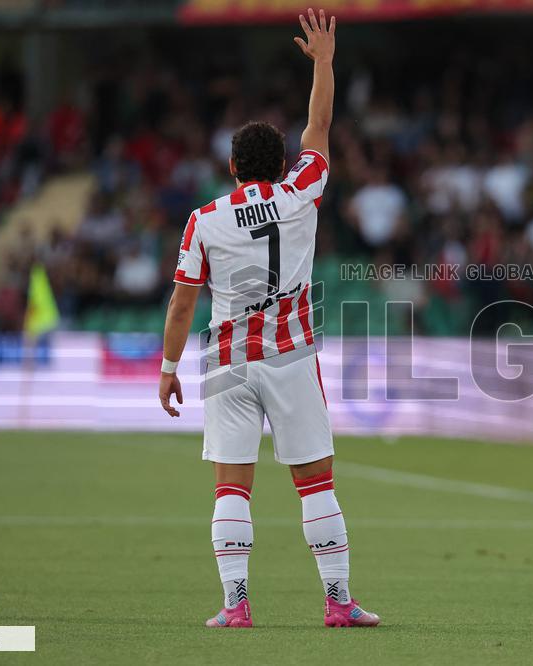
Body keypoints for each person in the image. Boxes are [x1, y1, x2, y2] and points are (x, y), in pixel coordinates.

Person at [157, 9, 379, 629]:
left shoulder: (205, 218)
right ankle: (338, 604)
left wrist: (168, 367)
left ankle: (236, 608)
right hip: (291, 355)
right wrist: (325, 62)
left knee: (233, 486)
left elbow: (181, 302)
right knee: (315, 483)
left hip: (227, 359)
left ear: (231, 168)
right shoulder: (301, 190)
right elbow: (320, 124)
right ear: (281, 165)